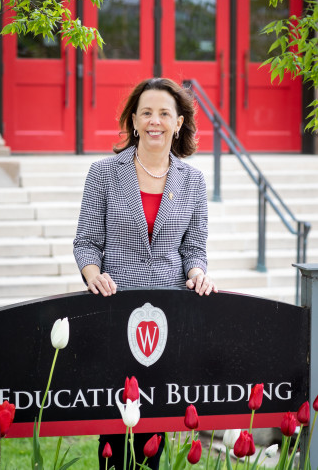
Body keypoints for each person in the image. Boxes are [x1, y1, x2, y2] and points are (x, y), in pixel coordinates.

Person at [73, 77, 218, 469]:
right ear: (134, 121)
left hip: (168, 316)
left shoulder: (193, 181)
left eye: (164, 113)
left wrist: (198, 272)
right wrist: (92, 273)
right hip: (115, 309)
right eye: (147, 113)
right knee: (116, 431)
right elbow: (86, 241)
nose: (155, 121)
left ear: (179, 123)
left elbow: (195, 248)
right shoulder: (103, 173)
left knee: (156, 428)